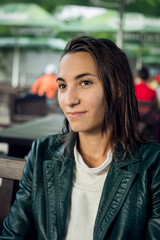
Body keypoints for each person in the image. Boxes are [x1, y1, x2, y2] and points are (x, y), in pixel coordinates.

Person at [0, 36, 160, 240]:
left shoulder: (153, 166)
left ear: (119, 87)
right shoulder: (42, 153)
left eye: (85, 82)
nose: (69, 100)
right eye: (63, 86)